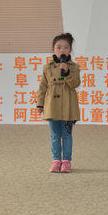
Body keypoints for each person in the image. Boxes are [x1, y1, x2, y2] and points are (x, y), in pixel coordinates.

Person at [37, 33, 81, 173]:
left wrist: (66, 72)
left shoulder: (74, 67)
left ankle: (66, 161)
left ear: (70, 50)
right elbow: (43, 86)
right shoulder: (48, 67)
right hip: (52, 106)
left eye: (66, 47)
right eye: (59, 47)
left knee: (66, 135)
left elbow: (75, 83)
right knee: (55, 135)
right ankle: (56, 160)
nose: (62, 50)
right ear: (53, 49)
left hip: (68, 107)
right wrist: (40, 103)